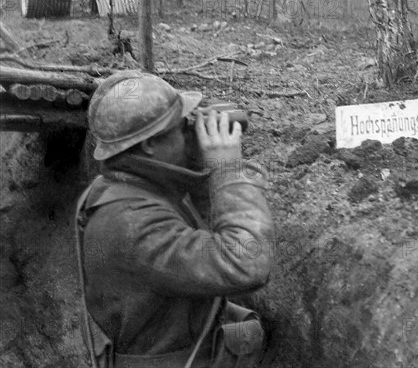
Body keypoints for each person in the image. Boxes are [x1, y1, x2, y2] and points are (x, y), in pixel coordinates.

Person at [75, 71, 274, 368]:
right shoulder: (132, 225)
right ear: (149, 145)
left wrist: (191, 160)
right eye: (182, 125)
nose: (192, 128)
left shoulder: (121, 187)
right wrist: (227, 168)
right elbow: (246, 260)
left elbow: (202, 229)